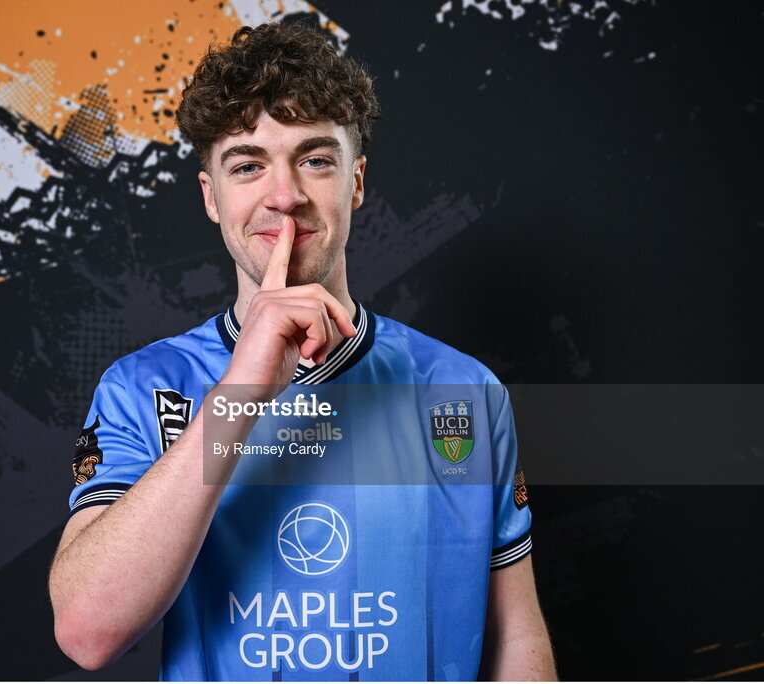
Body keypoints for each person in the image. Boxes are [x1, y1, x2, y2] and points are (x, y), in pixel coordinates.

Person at [49, 21, 556, 681]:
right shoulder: (142, 388)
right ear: (211, 196)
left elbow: (515, 639)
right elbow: (88, 631)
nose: (284, 196)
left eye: (316, 159)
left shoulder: (462, 390)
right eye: (247, 165)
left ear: (356, 183)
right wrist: (244, 387)